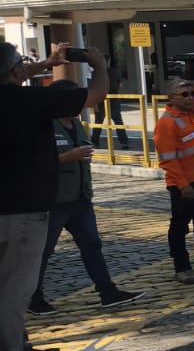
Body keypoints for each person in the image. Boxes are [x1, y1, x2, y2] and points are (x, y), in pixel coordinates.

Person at [0, 41, 108, 351]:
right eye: (22, 63)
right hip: (23, 209)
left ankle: (17, 348)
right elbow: (95, 96)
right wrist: (98, 64)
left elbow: (12, 72)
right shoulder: (28, 100)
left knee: (7, 286)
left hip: (10, 207)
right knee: (16, 289)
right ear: (16, 70)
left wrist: (46, 62)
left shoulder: (20, 94)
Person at [29, 79, 145, 313]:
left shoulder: (77, 123)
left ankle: (108, 292)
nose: (81, 104)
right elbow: (33, 163)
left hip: (81, 199)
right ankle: (33, 298)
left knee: (92, 245)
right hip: (54, 201)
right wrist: (67, 157)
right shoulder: (42, 125)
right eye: (75, 99)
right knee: (44, 251)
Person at [153, 76, 194, 286]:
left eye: (191, 94)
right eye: (184, 95)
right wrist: (183, 185)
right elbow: (168, 160)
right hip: (184, 184)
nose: (190, 98)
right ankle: (182, 268)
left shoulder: (193, 113)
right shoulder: (167, 123)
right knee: (180, 227)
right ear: (171, 98)